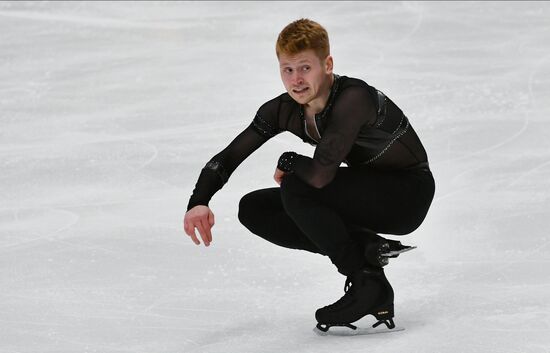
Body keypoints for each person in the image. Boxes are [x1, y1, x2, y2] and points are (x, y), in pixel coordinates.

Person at [183, 18, 435, 333]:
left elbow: (318, 177)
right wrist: (199, 201)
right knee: (255, 208)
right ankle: (368, 252)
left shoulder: (354, 98)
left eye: (305, 68)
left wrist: (289, 160)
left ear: (327, 65)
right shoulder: (283, 110)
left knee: (298, 186)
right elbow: (229, 156)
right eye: (287, 70)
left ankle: (364, 281)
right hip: (365, 192)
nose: (296, 80)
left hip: (407, 195)